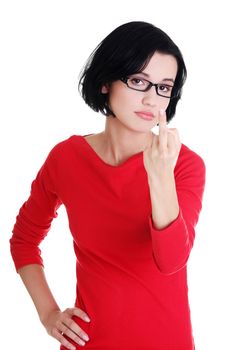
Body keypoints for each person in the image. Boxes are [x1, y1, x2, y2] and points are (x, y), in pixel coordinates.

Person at [10, 21, 206, 350]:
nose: (150, 98)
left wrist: (160, 176)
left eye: (163, 87)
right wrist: (48, 315)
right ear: (106, 82)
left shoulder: (184, 165)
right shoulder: (66, 158)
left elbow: (171, 260)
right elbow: (24, 240)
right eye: (138, 81)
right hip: (88, 342)